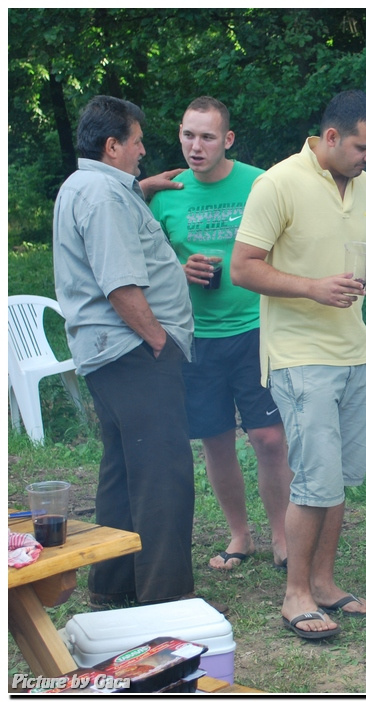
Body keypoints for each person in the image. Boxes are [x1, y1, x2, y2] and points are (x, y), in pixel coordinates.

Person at [231, 89, 366, 639]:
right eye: (362, 147)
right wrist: (310, 287)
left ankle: (326, 585)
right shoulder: (278, 183)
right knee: (313, 481)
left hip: (354, 354)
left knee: (337, 479)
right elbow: (243, 267)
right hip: (299, 357)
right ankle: (296, 595)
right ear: (331, 137)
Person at [52, 95, 196, 606]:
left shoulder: (87, 184)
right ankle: (165, 597)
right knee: (163, 473)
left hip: (108, 354)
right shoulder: (105, 198)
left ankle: (114, 586)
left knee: (124, 468)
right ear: (112, 146)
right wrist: (159, 341)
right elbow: (121, 286)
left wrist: (143, 186)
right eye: (135, 142)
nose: (142, 151)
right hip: (135, 351)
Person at [150, 96, 293, 572]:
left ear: (227, 139)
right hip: (196, 334)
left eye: (207, 136)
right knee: (214, 438)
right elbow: (141, 259)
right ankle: (240, 535)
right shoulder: (165, 194)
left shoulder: (260, 183)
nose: (196, 146)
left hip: (256, 327)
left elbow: (291, 242)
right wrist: (177, 268)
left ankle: (282, 534)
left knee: (270, 437)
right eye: (188, 135)